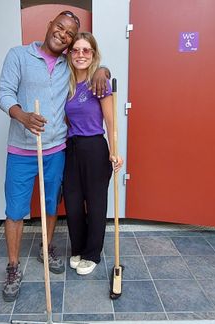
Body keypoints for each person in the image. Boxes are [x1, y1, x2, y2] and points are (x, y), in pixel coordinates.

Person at [0, 11, 109, 302]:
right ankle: (13, 266)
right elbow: (4, 92)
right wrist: (21, 115)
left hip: (57, 149)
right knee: (15, 210)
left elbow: (92, 68)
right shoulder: (18, 55)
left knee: (51, 204)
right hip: (21, 149)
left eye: (70, 33)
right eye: (60, 27)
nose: (63, 34)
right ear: (49, 26)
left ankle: (46, 249)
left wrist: (103, 71)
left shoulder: (66, 65)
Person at [63, 32, 123, 276]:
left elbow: (111, 122)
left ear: (94, 54)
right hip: (71, 148)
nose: (80, 54)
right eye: (76, 50)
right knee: (74, 204)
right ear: (69, 54)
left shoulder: (99, 83)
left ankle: (92, 253)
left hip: (95, 148)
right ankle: (78, 248)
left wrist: (115, 152)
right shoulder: (65, 83)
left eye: (86, 50)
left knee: (96, 204)